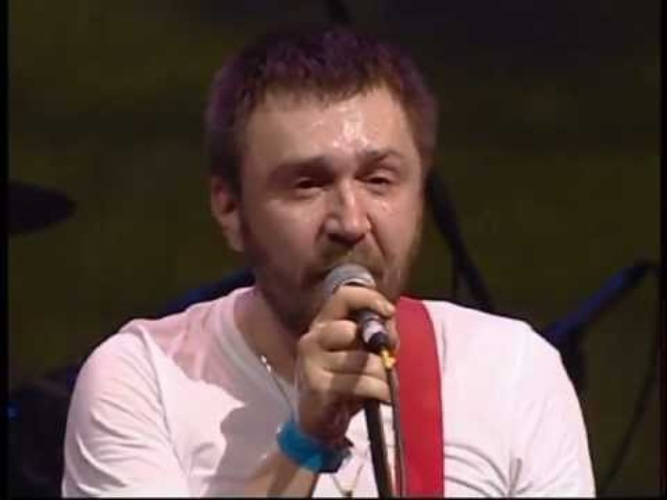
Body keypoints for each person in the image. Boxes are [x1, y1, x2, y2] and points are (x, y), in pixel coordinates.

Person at [62, 24, 595, 497]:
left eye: (379, 180)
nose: (350, 221)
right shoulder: (145, 380)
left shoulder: (513, 372)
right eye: (307, 185)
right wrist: (304, 443)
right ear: (230, 209)